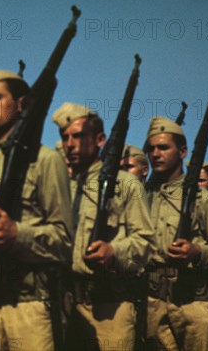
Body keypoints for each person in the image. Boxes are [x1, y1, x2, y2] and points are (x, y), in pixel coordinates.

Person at [0, 69, 72, 350]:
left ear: (21, 104)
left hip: (25, 310)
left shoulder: (45, 161)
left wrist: (18, 235)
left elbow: (64, 241)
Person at [52, 102, 155, 351]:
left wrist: (113, 251)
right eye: (65, 137)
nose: (70, 143)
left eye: (78, 136)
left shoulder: (127, 184)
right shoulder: (58, 184)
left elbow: (145, 243)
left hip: (111, 306)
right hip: (63, 305)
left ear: (100, 139)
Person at [143, 116, 208, 350]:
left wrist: (197, 252)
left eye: (163, 147)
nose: (155, 154)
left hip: (193, 306)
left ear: (183, 152)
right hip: (152, 304)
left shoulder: (204, 200)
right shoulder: (143, 199)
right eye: (151, 149)